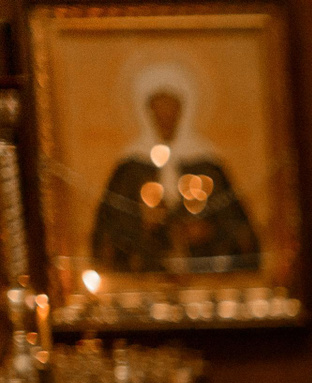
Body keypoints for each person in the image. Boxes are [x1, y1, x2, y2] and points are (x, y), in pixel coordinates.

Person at [91, 64, 260, 276]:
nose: (165, 114)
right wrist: (144, 227)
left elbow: (234, 225)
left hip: (203, 272)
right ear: (147, 111)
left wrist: (207, 230)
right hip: (145, 273)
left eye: (171, 106)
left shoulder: (207, 163)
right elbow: (111, 227)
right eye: (158, 107)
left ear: (184, 109)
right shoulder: (130, 166)